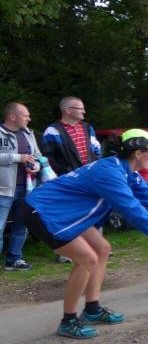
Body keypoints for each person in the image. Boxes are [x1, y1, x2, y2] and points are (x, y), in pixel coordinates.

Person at [22, 129, 148, 339]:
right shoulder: (110, 174)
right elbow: (132, 209)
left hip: (62, 211)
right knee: (86, 259)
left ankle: (92, 309)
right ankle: (68, 321)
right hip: (43, 211)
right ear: (138, 153)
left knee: (102, 249)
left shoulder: (125, 171)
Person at [41, 96, 102, 263]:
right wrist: (64, 174)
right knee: (67, 215)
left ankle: (96, 247)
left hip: (89, 179)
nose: (84, 112)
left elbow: (96, 150)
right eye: (80, 108)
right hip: (66, 181)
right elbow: (48, 158)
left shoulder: (87, 127)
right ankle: (65, 253)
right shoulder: (52, 131)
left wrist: (96, 169)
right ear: (67, 110)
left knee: (93, 211)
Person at [0, 102, 41, 271]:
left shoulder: (28, 134)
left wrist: (36, 165)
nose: (29, 119)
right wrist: (17, 158)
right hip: (3, 189)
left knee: (22, 226)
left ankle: (14, 259)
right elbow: (17, 157)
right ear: (12, 116)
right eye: (26, 116)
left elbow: (37, 155)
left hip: (26, 188)